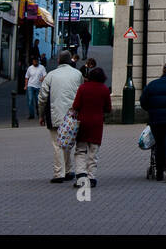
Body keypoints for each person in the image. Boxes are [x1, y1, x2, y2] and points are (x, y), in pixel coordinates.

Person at [38, 51, 83, 182]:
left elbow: (42, 97)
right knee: (68, 143)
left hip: (55, 114)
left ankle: (59, 173)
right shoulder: (78, 74)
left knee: (57, 144)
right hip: (73, 115)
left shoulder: (51, 75)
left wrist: (41, 115)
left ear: (58, 61)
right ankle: (68, 170)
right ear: (70, 61)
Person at [70, 68, 111, 187]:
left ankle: (81, 175)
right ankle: (91, 177)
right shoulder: (104, 89)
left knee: (80, 150)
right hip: (97, 124)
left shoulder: (83, 88)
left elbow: (76, 105)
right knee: (93, 152)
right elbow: (108, 108)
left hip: (83, 123)